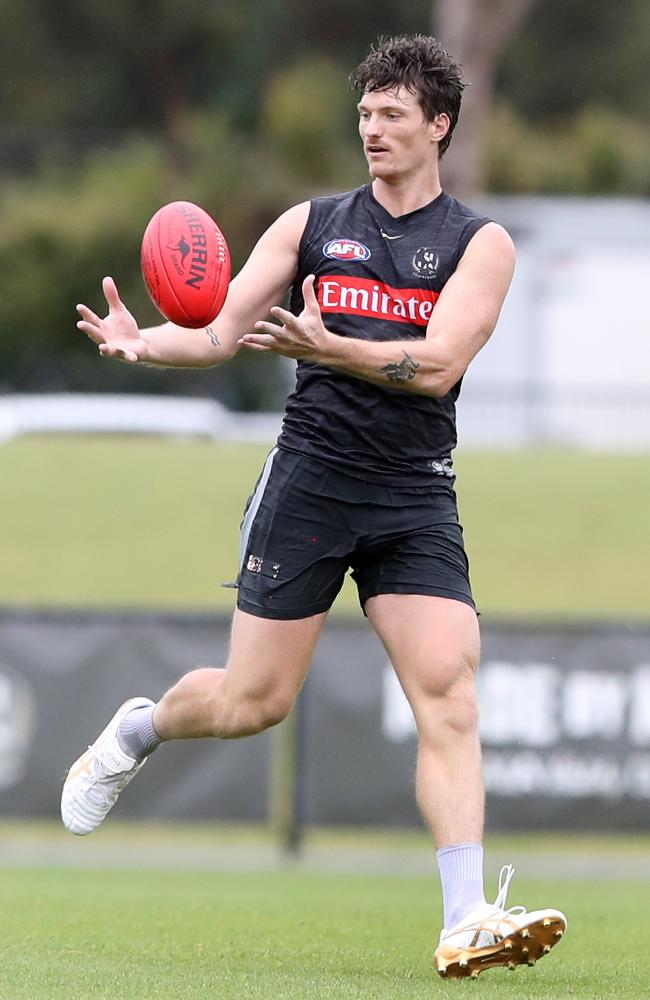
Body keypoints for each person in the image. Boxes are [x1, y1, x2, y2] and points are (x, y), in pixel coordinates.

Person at [61, 34, 567, 979]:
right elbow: (217, 333)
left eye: (393, 115)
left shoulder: (478, 243)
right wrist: (144, 346)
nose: (373, 129)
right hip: (311, 482)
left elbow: (442, 364)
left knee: (450, 694)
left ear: (440, 125)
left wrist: (332, 347)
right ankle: (140, 728)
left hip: (415, 496)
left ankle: (464, 919)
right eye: (366, 113)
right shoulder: (312, 224)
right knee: (252, 703)